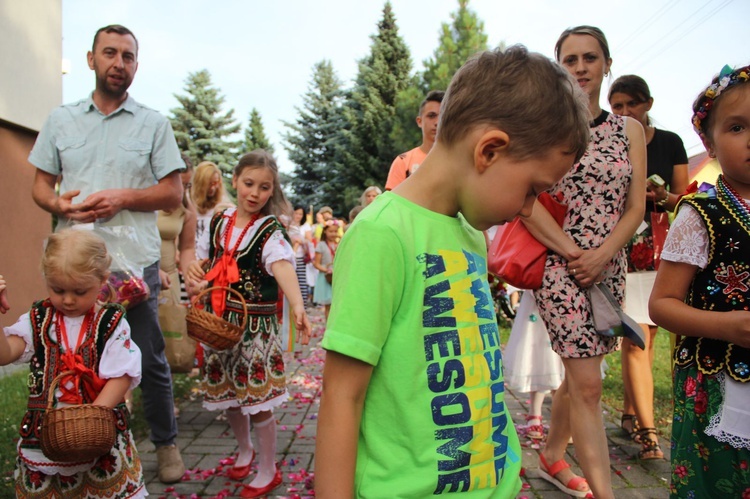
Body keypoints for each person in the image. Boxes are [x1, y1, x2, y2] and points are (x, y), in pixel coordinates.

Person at [315, 44, 590, 498]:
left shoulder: (468, 233)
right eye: (530, 191)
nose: (527, 209)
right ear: (489, 151)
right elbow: (342, 397)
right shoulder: (382, 234)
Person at [28, 24, 186, 483]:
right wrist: (57, 204)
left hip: (132, 264)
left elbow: (172, 193)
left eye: (129, 57)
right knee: (67, 353)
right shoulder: (61, 119)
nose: (120, 63)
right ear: (91, 59)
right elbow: (40, 184)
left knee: (147, 355)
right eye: (111, 54)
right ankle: (71, 440)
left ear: (136, 66)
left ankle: (167, 444)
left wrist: (122, 198)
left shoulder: (154, 124)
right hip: (74, 261)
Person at [521, 26, 646, 499]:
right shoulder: (543, 127)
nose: (580, 68)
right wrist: (575, 254)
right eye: (569, 60)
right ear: (558, 68)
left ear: (606, 63)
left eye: (589, 58)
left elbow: (635, 207)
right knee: (590, 385)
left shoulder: (628, 129)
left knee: (581, 377)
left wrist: (604, 253)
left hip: (610, 265)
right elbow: (525, 203)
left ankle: (553, 455)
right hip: (561, 269)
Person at [649, 63, 750, 498]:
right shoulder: (700, 214)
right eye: (737, 127)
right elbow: (662, 304)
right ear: (708, 143)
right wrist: (729, 326)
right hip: (718, 384)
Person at [186, 150, 311, 498]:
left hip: (253, 329)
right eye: (249, 184)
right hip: (218, 322)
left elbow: (282, 266)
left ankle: (268, 468)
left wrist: (298, 305)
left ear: (273, 191)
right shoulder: (218, 221)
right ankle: (245, 450)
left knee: (257, 401)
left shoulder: (269, 229)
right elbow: (203, 259)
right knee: (230, 396)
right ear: (235, 180)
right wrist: (196, 269)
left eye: (264, 187)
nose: (255, 193)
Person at [1, 230, 144, 497]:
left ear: (102, 279)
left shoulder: (110, 323)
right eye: (58, 290)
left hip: (99, 436)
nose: (67, 299)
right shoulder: (38, 319)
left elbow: (122, 375)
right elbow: (5, 354)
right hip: (46, 438)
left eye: (79, 291)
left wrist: (91, 420)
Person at [608, 74, 689, 459]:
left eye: (631, 105)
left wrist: (661, 195)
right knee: (635, 338)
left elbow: (683, 199)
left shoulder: (671, 142)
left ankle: (628, 411)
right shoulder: (609, 142)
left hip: (663, 251)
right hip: (625, 250)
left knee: (650, 338)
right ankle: (648, 431)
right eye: (617, 106)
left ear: (649, 104)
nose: (624, 113)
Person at [503, 290, 564, 441]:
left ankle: (563, 420)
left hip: (568, 293)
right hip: (539, 288)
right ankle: (535, 413)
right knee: (536, 350)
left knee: (562, 356)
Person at [385, 90, 445, 190]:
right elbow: (393, 203)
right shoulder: (403, 162)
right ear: (419, 121)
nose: (437, 122)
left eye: (443, 116)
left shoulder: (461, 161)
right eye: (431, 116)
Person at [193, 160, 234, 260]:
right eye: (208, 184)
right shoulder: (189, 202)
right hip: (191, 259)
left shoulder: (223, 204)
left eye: (215, 183)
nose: (212, 188)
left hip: (211, 258)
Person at [312, 221, 339, 322]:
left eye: (335, 231)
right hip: (326, 277)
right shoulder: (321, 245)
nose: (333, 234)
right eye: (331, 231)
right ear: (325, 232)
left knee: (336, 304)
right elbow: (316, 263)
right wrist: (327, 270)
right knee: (328, 305)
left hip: (337, 276)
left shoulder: (338, 243)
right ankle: (328, 326)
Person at [290, 205, 310, 304]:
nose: (298, 216)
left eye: (300, 214)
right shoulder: (288, 225)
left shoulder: (305, 226)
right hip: (289, 256)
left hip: (300, 256)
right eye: (296, 213)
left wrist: (301, 241)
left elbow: (309, 241)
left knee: (301, 283)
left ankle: (303, 305)